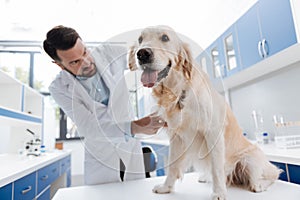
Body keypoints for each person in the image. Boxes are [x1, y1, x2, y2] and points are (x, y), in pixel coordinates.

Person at [43, 25, 165, 185]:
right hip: (101, 155)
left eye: (85, 52)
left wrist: (151, 70)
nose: (86, 62)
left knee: (136, 191)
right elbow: (88, 127)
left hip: (130, 148)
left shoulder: (108, 53)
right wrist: (133, 127)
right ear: (60, 65)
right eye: (75, 62)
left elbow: (139, 55)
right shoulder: (59, 88)